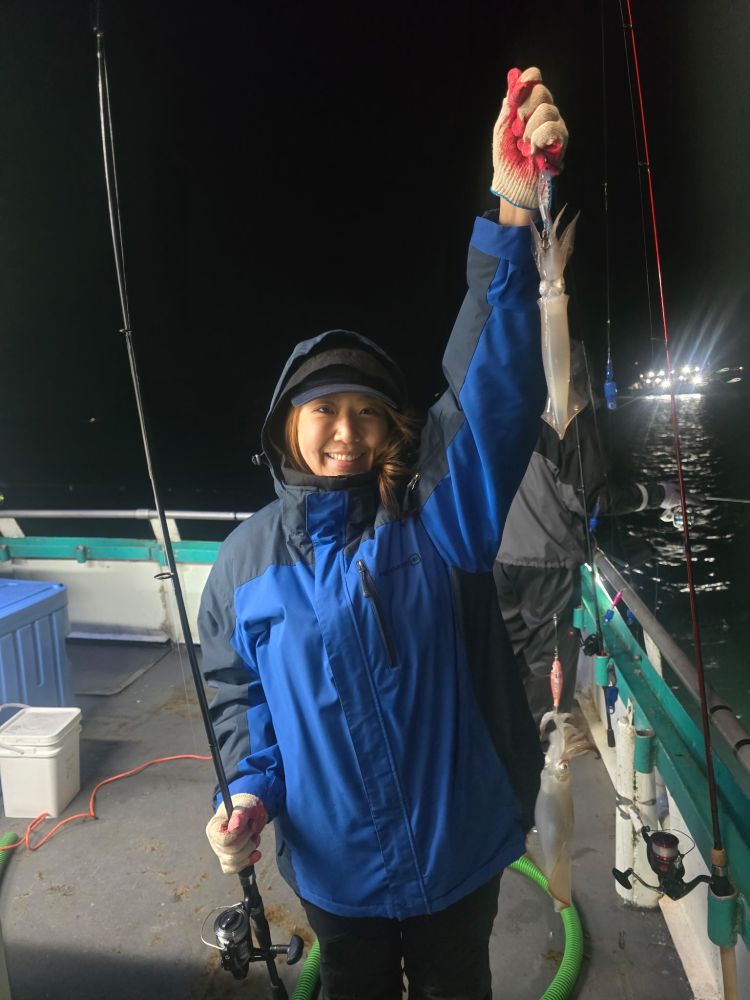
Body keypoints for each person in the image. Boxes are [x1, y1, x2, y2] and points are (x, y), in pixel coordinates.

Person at [198, 66, 567, 1000]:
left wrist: (512, 208)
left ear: (391, 429)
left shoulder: (435, 511)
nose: (347, 430)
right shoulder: (242, 567)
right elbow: (242, 708)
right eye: (323, 410)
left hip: (457, 866)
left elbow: (493, 384)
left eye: (367, 411)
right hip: (338, 881)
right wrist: (243, 795)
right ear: (286, 426)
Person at [494, 344, 681, 728]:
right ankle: (542, 747)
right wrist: (660, 494)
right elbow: (591, 498)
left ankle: (505, 736)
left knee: (506, 655)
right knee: (550, 664)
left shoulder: (504, 410)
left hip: (497, 561)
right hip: (547, 565)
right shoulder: (568, 419)